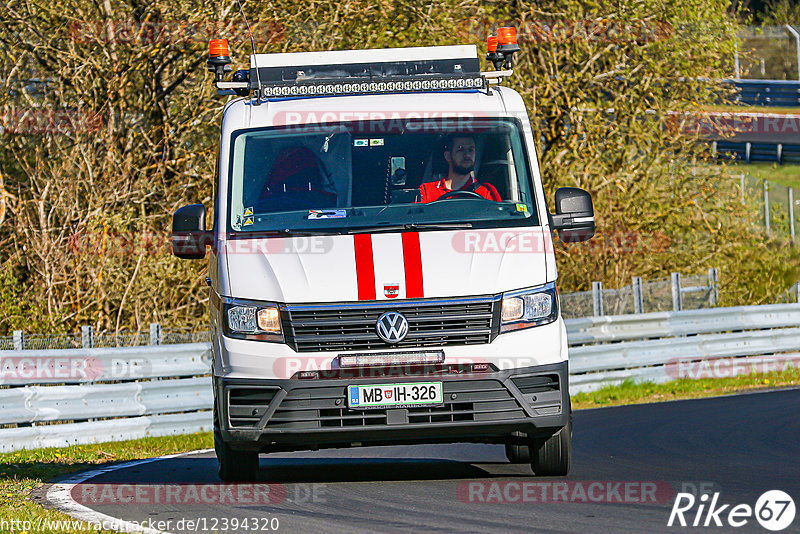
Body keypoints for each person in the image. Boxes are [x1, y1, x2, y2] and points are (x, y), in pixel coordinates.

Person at [418, 134, 501, 203]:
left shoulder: (485, 192)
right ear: (448, 156)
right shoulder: (426, 192)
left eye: (471, 150)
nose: (467, 155)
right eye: (461, 150)